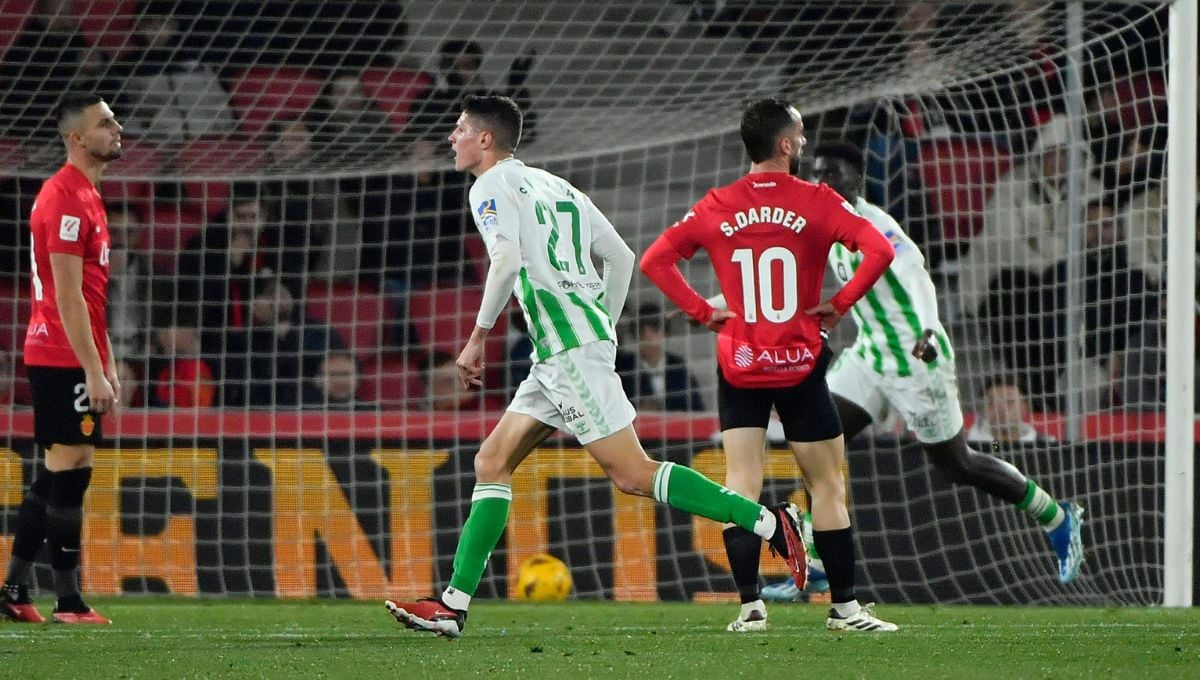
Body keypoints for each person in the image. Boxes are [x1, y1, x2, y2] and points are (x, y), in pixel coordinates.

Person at [384, 95, 807, 638]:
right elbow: (623, 258)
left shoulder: (488, 187)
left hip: (568, 351)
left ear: (485, 140)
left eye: (461, 128)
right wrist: (600, 326)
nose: (452, 137)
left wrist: (476, 341)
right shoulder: (556, 185)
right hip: (563, 351)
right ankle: (453, 606)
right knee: (491, 462)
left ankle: (770, 522)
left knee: (632, 474)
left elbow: (507, 259)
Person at [757, 140, 1082, 605]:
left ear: (855, 181)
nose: (821, 181)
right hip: (871, 354)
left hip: (916, 357)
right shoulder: (825, 222)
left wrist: (929, 329)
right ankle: (820, 560)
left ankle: (1056, 515)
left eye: (831, 174)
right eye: (817, 173)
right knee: (813, 437)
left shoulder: (877, 226)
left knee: (957, 464)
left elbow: (915, 275)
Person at [640, 99, 899, 633]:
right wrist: (840, 302)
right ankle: (845, 609)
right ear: (784, 144)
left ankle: (750, 608)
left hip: (740, 362)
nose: (804, 144)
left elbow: (653, 261)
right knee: (827, 487)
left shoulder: (717, 204)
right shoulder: (818, 200)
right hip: (799, 363)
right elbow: (880, 251)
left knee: (741, 486)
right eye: (800, 136)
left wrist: (703, 312)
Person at [0, 93, 121, 624]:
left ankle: (14, 591)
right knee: (70, 471)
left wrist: (107, 360)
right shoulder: (66, 197)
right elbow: (67, 296)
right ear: (76, 137)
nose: (117, 128)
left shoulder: (87, 195)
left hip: (69, 349)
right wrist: (93, 368)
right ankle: (68, 601)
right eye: (105, 122)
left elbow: (92, 298)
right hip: (59, 352)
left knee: (56, 473)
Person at [615, 302, 705, 411]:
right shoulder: (625, 367)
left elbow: (697, 408)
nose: (648, 336)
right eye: (642, 331)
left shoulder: (678, 367)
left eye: (655, 329)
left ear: (665, 333)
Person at [966, 376, 1054, 446]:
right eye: (991, 402)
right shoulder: (966, 444)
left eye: (1009, 401)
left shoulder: (1046, 444)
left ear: (1025, 407)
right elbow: (995, 449)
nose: (1000, 409)